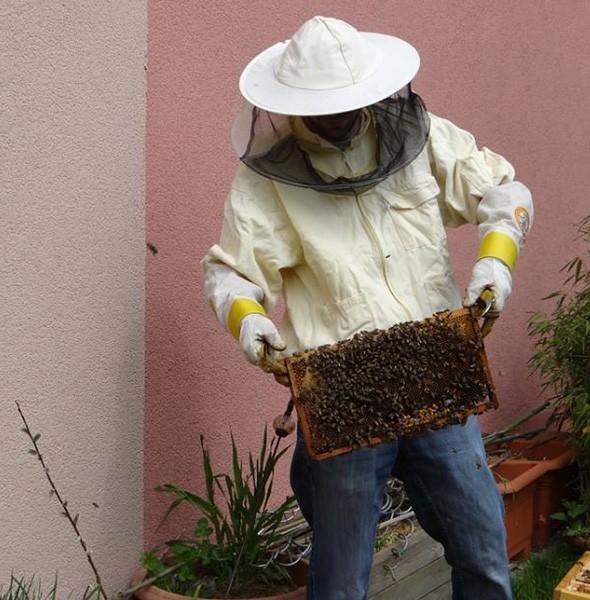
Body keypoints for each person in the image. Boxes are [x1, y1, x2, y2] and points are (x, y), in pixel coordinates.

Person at [202, 15, 534, 600]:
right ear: (294, 105)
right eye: (325, 108)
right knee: (340, 583)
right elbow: (230, 272)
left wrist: (494, 270)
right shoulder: (268, 180)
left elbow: (503, 192)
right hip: (341, 400)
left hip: (437, 379)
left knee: (483, 551)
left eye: (349, 104)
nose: (341, 118)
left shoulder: (420, 135)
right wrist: (251, 323)